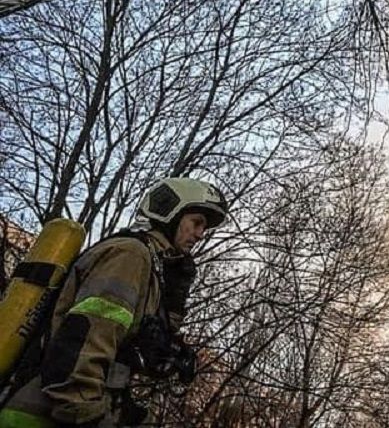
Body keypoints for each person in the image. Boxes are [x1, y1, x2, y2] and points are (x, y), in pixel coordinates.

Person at [0, 177, 228, 428]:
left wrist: (167, 342)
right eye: (196, 223)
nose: (199, 234)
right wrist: (89, 415)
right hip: (41, 414)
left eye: (203, 228)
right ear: (170, 213)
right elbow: (84, 342)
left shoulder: (153, 268)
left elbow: (118, 349)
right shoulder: (131, 255)